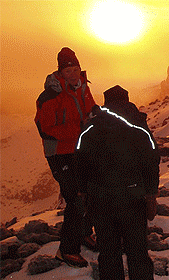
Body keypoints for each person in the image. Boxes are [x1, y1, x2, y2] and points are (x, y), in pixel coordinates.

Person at [75, 85, 160, 280]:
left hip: (100, 198)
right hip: (133, 197)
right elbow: (151, 160)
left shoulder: (90, 128)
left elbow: (80, 161)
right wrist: (151, 193)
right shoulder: (138, 127)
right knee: (137, 251)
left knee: (108, 251)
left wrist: (83, 192)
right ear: (128, 101)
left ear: (106, 103)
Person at [34, 47, 98, 267]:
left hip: (79, 149)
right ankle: (67, 250)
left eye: (75, 69)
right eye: (68, 70)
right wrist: (80, 130)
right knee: (75, 199)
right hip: (59, 154)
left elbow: (89, 109)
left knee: (91, 190)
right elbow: (46, 128)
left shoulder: (82, 87)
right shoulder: (50, 96)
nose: (73, 73)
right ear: (60, 72)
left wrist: (97, 116)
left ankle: (83, 233)